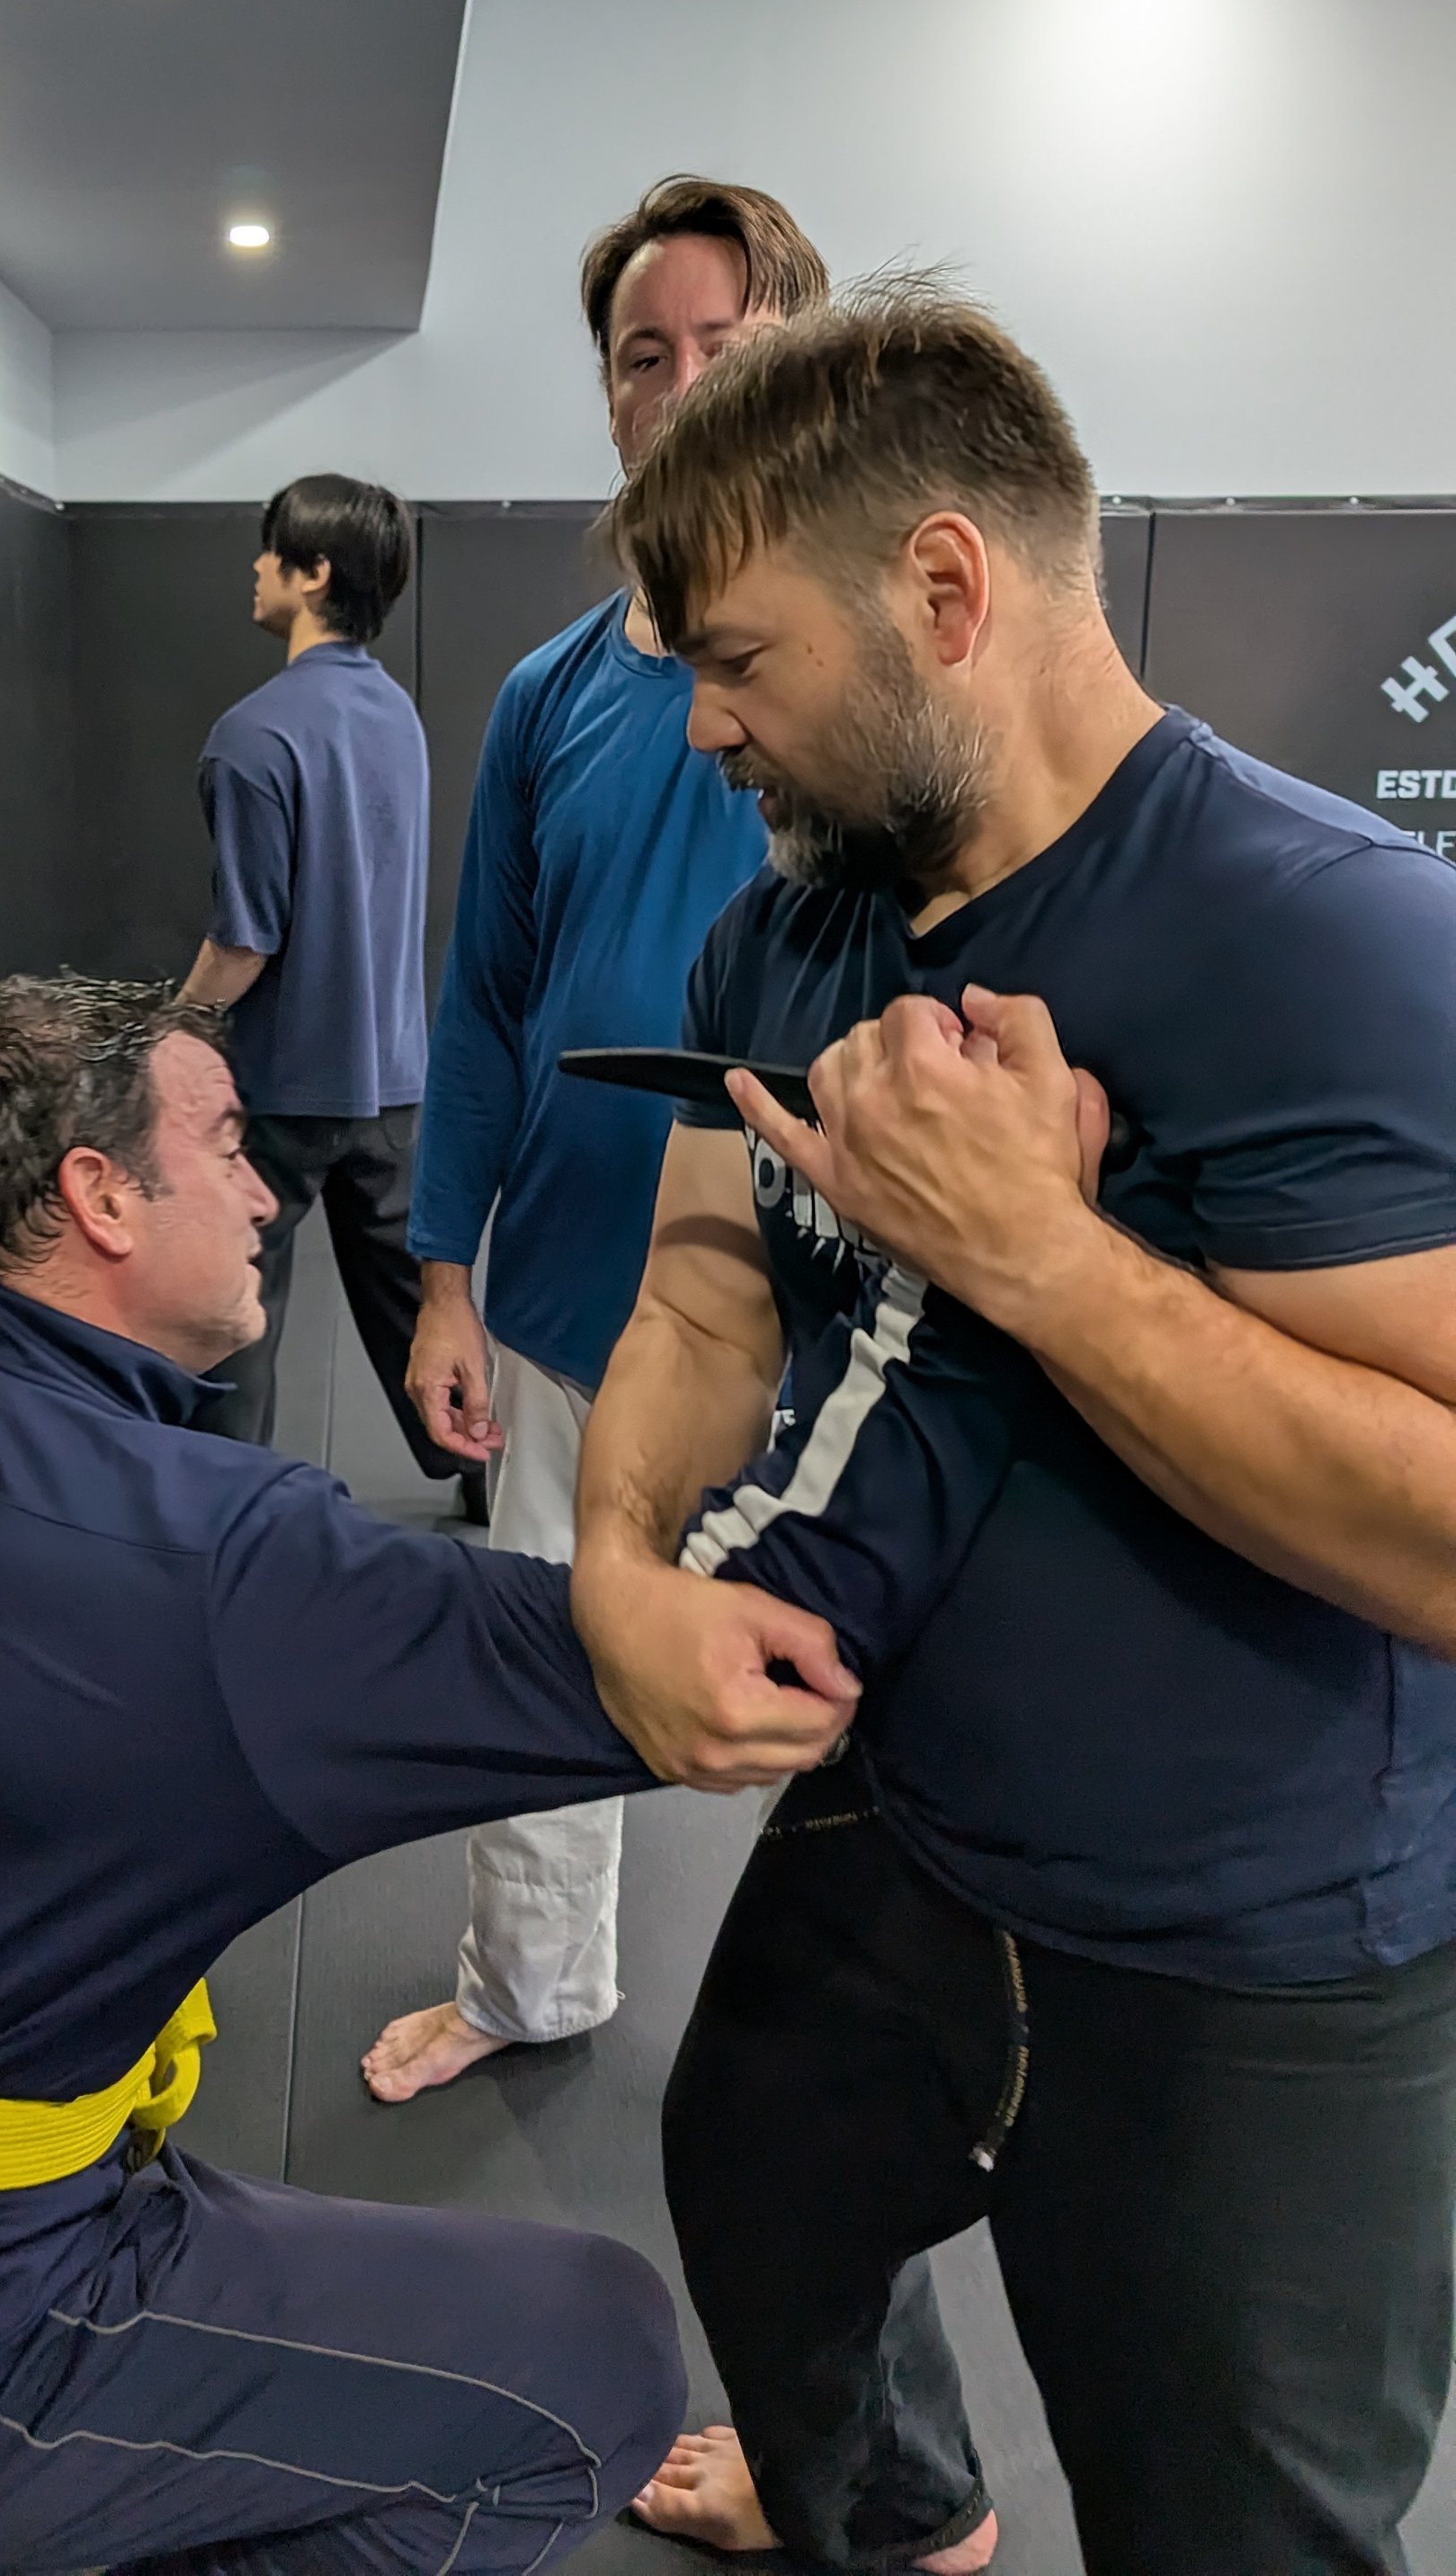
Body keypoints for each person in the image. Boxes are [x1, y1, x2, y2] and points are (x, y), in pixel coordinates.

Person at [0, 974, 866, 2576]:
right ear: (97, 1195)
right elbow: (748, 1662)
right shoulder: (237, 1576)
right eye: (225, 1143)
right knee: (601, 2364)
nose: (263, 1188)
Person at [575, 284, 1456, 2575]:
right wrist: (615, 1554)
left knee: (1232, 2529)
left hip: (1251, 1952)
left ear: (943, 594)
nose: (699, 728)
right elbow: (703, 1274)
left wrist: (1044, 1265)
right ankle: (910, 2516)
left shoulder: (1327, 944)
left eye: (739, 659)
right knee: (752, 2199)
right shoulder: (789, 936)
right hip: (906, 1834)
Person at [368, 178, 828, 2104]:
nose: (682, 383)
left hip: (814, 1312)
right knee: (556, 1654)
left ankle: (858, 2078)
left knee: (849, 1705)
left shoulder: (867, 682)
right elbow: (479, 1002)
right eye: (646, 355)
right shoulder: (552, 695)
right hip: (567, 1286)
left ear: (799, 364)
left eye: (726, 344)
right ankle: (529, 1980)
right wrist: (443, 1279)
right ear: (612, 400)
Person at [183, 476, 465, 1501]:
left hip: (277, 1093)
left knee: (235, 1306)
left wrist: (169, 1031)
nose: (254, 570)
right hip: (393, 1086)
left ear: (311, 575)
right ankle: (486, 1473)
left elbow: (244, 941)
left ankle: (225, 1510)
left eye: (270, 555)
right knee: (417, 1309)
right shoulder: (399, 716)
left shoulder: (250, 735)